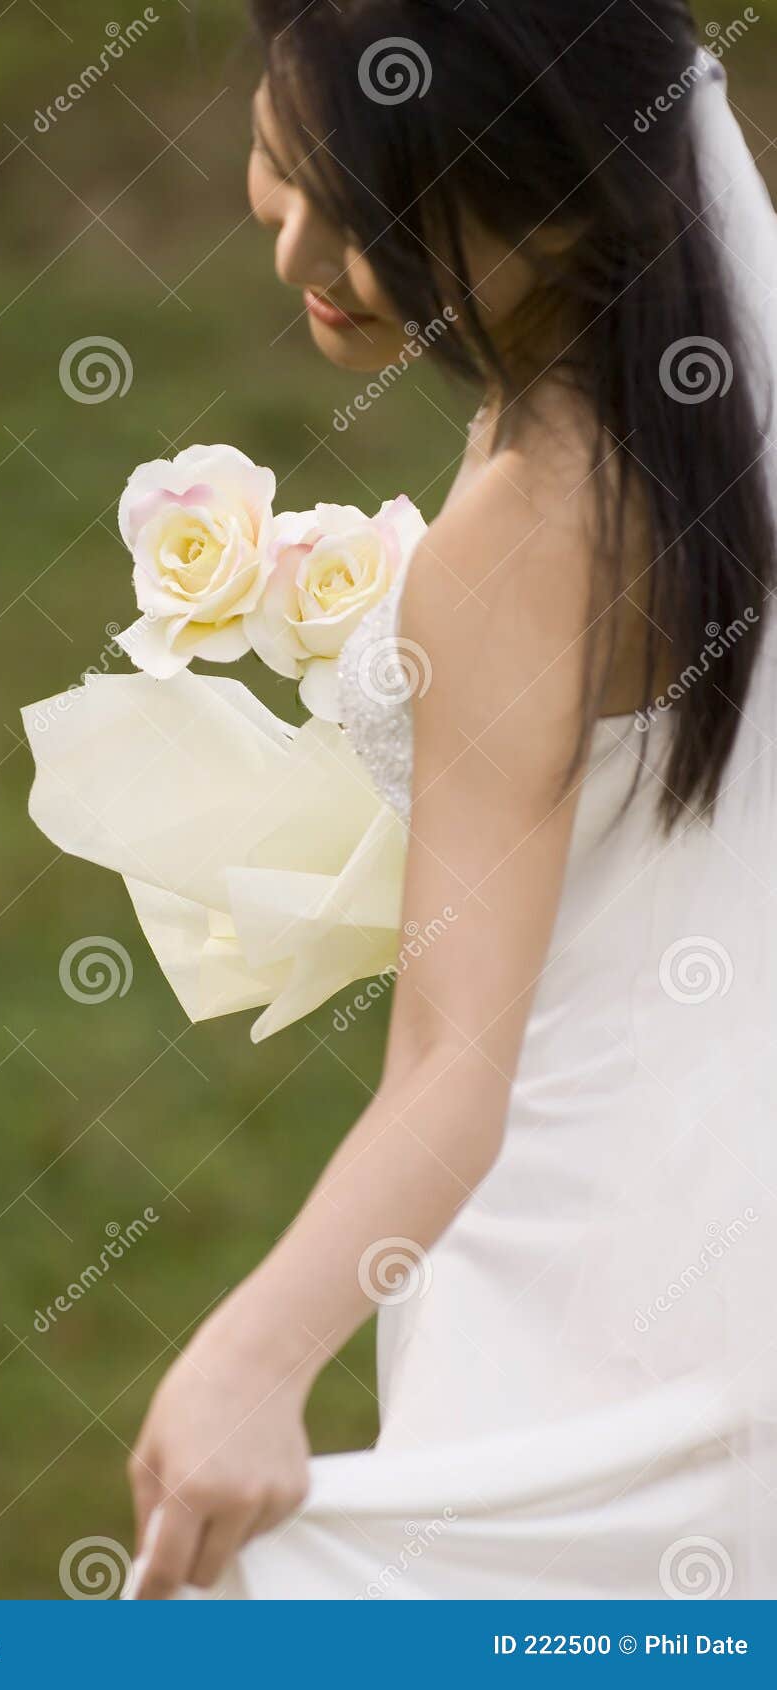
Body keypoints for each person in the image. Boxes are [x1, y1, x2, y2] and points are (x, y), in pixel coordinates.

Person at [127, 0, 777, 1600]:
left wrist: (247, 1358)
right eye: (283, 176)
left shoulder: (528, 533)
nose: (299, 249)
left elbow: (452, 1063)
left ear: (556, 202)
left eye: (368, 209)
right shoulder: (708, 413)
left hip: (583, 1232)